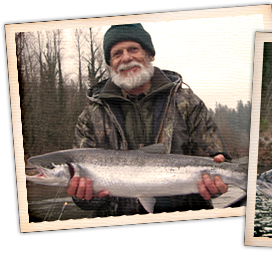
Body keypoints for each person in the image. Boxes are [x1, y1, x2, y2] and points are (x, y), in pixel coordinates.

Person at [66, 23, 230, 217]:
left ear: (149, 55)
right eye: (117, 54)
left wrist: (218, 183)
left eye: (133, 49)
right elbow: (86, 202)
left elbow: (217, 160)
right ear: (111, 65)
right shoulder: (91, 116)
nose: (126, 58)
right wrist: (87, 197)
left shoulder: (187, 103)